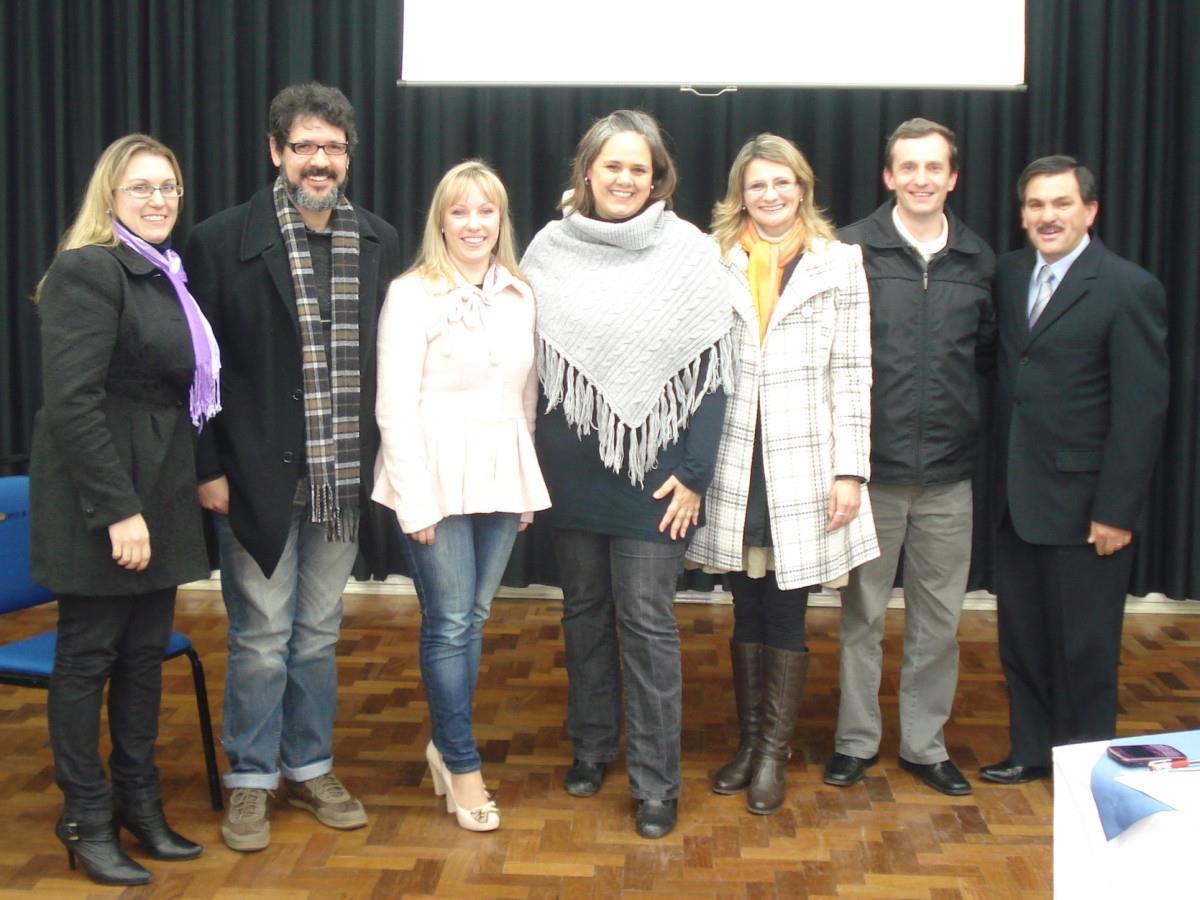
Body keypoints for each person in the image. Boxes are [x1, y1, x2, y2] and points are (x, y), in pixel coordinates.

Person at [183, 83, 401, 850]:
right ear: (276, 151)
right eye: (305, 145)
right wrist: (206, 467)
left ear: (348, 157)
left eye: (333, 148)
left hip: (340, 479)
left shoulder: (379, 240)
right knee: (262, 635)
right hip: (255, 477)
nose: (320, 160)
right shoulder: (218, 242)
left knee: (317, 632)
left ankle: (309, 764)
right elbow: (197, 373)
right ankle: (250, 779)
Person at [521, 109, 734, 839]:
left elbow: (713, 374)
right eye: (612, 165)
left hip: (656, 478)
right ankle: (589, 747)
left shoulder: (689, 251)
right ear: (588, 171)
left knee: (646, 624)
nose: (624, 178)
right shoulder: (549, 247)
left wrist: (696, 474)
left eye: (638, 168)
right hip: (572, 472)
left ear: (657, 177)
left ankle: (656, 783)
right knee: (582, 615)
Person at [30, 133, 220, 885]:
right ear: (108, 196)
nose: (159, 200)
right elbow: (72, 406)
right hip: (103, 494)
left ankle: (139, 804)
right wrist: (117, 510)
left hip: (161, 485)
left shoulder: (162, 272)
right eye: (142, 187)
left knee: (144, 657)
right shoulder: (89, 270)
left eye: (169, 187)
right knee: (89, 657)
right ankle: (84, 813)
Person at [687, 134, 878, 815]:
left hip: (805, 461)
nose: (770, 195)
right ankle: (747, 742)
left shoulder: (840, 263)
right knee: (746, 602)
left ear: (804, 187)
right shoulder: (712, 260)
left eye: (782, 183)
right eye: (757, 185)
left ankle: (774, 751)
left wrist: (851, 470)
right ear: (740, 193)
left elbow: (853, 373)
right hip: (735, 458)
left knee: (790, 605)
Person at [373, 160, 550, 831]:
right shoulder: (411, 293)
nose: (473, 224)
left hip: (503, 476)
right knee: (448, 622)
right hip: (433, 478)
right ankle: (461, 761)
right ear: (440, 221)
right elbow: (394, 406)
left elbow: (526, 396)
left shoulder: (521, 293)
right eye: (460, 211)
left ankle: (445, 744)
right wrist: (415, 500)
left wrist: (524, 480)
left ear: (500, 220)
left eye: (486, 212)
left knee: (473, 620)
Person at [980, 156, 1168, 784]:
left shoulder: (1126, 286)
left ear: (1090, 211)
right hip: (1016, 496)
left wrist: (1117, 510)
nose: (1046, 216)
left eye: (1060, 204)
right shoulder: (1008, 275)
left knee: (1085, 649)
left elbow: (1141, 411)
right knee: (1024, 642)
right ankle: (1031, 751)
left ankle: (1087, 767)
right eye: (1035, 205)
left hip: (1088, 506)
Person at [824, 118, 996, 796]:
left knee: (939, 624)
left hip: (950, 478)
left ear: (952, 178)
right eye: (908, 167)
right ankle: (855, 742)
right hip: (872, 475)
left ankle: (925, 746)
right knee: (861, 618)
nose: (922, 178)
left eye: (935, 167)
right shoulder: (848, 252)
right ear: (888, 177)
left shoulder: (979, 262)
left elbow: (983, 359)